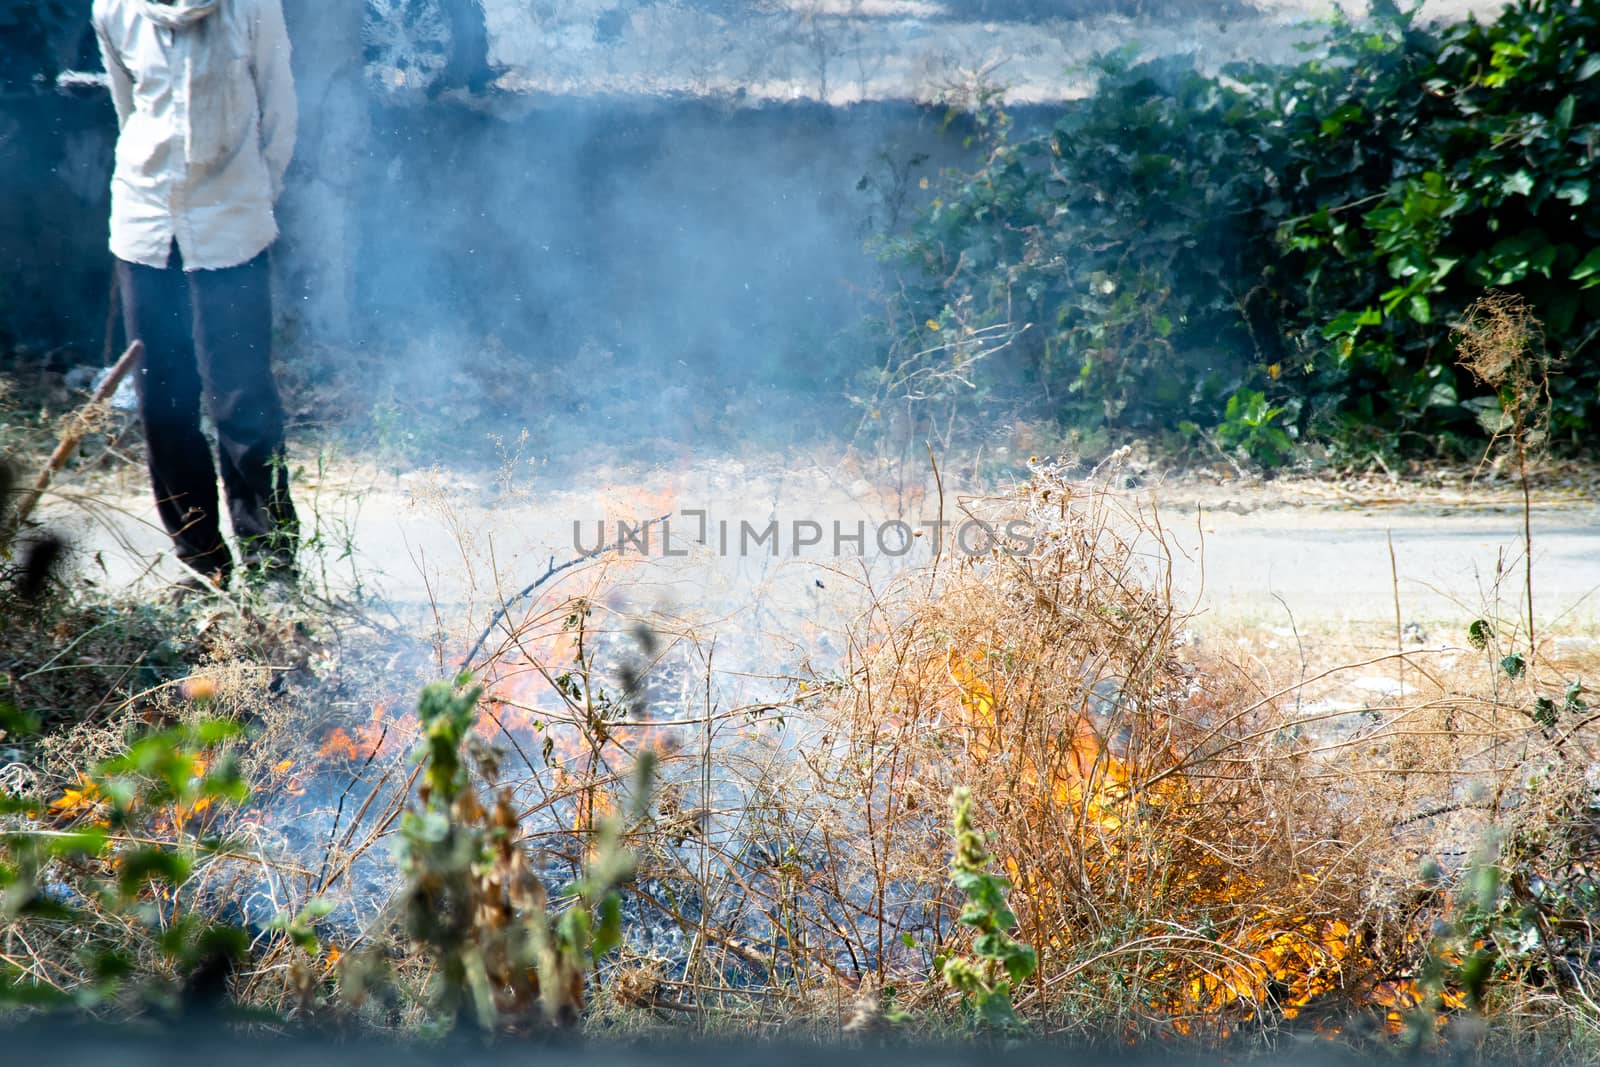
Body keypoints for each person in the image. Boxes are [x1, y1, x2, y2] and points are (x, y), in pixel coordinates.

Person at [93, 0, 299, 592]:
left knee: (243, 402)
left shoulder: (253, 9)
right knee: (163, 405)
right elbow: (127, 108)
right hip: (146, 227)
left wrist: (254, 195)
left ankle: (272, 568)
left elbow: (279, 111)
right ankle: (200, 563)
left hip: (231, 225)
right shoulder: (114, 10)